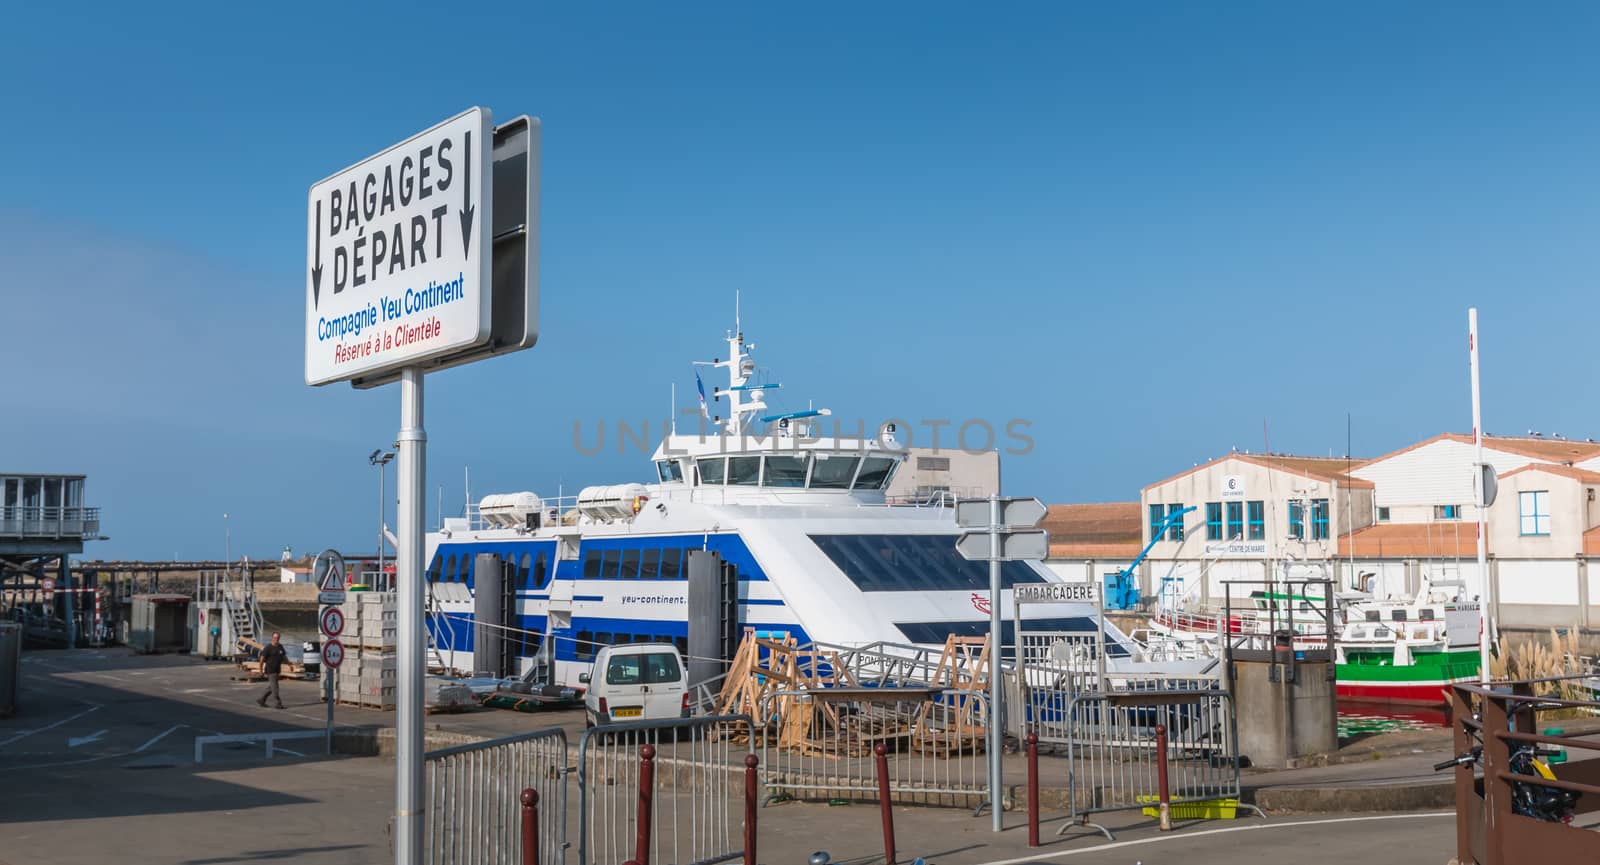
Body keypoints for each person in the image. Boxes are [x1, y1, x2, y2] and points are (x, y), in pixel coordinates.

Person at [257, 632, 289, 709]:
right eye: (275, 638)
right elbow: (261, 660)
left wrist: (289, 664)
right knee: (275, 689)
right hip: (270, 671)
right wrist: (260, 670)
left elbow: (284, 657)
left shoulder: (280, 647)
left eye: (277, 638)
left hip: (277, 670)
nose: (276, 639)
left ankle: (261, 700)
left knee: (271, 687)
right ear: (272, 638)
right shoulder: (268, 648)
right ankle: (278, 704)